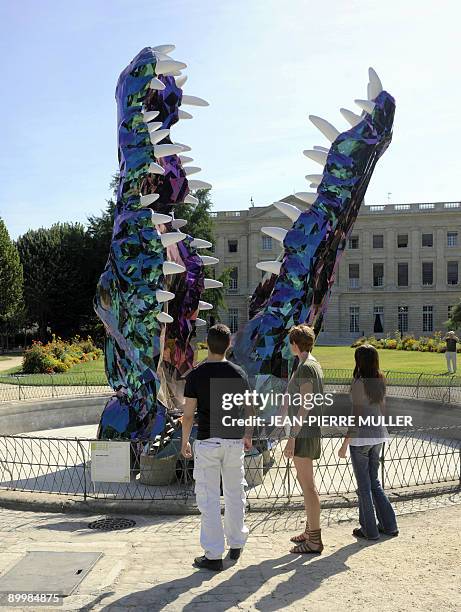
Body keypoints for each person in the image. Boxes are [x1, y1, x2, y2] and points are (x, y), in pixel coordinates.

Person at [181, 323, 253, 572]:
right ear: (229, 345)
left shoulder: (196, 375)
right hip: (233, 440)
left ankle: (213, 554)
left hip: (208, 440)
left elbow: (188, 415)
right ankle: (236, 543)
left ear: (207, 344)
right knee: (235, 493)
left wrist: (184, 442)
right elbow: (250, 408)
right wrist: (248, 434)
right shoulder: (239, 373)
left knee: (209, 497)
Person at [338, 344, 398, 540]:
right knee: (374, 483)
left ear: (359, 361)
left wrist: (345, 443)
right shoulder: (380, 378)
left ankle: (369, 530)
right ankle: (389, 525)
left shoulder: (358, 382)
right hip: (379, 434)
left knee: (364, 486)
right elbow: (383, 408)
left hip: (362, 437)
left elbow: (356, 416)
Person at [285, 324, 324, 554]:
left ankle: (314, 540)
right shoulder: (310, 363)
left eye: (291, 342)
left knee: (308, 487)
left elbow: (305, 405)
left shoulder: (307, 367)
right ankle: (310, 532)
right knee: (306, 484)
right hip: (308, 430)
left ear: (296, 344)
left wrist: (292, 437)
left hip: (304, 432)